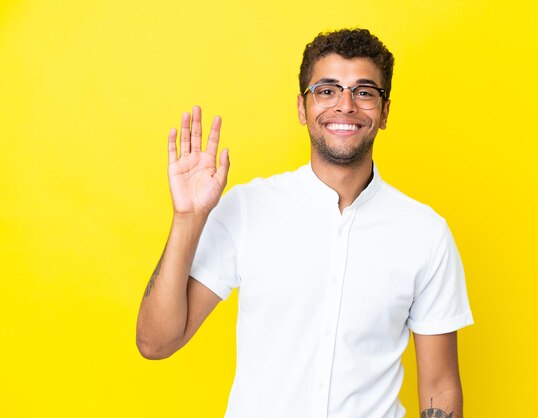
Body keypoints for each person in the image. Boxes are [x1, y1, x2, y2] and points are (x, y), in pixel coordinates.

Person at [136, 28, 473, 418]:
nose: (345, 105)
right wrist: (188, 219)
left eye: (364, 92)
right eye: (327, 90)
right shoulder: (248, 208)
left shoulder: (425, 234)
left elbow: (439, 386)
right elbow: (155, 343)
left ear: (384, 112)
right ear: (302, 107)